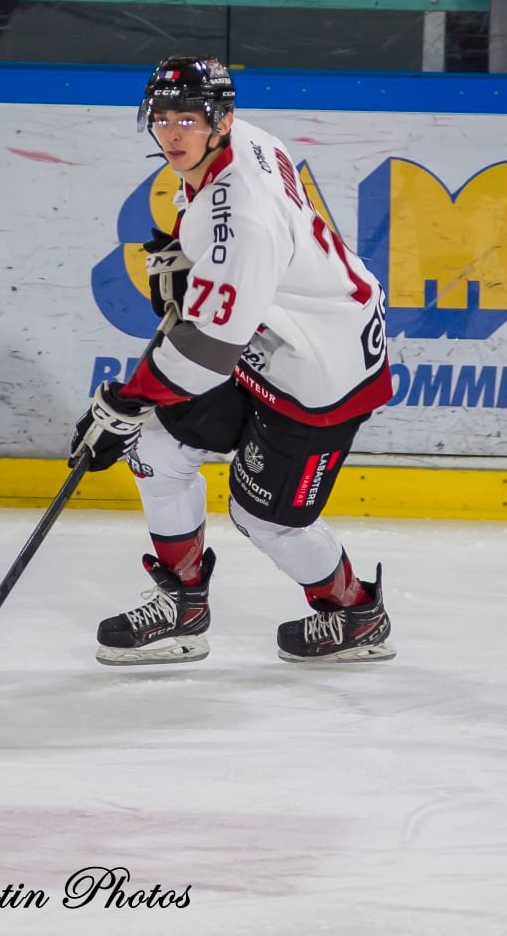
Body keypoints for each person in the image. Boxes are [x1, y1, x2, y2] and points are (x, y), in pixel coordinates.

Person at [69, 56, 396, 666]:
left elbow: (205, 351)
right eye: (162, 118)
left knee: (265, 520)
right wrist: (188, 256)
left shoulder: (241, 215)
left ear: (221, 118)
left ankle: (355, 613)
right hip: (272, 339)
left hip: (322, 371)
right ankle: (183, 607)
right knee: (158, 451)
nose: (172, 134)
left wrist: (125, 403)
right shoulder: (244, 141)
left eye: (187, 119)